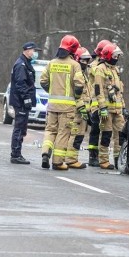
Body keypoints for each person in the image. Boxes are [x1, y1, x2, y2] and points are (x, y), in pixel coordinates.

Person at [40, 35, 86, 171]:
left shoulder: (51, 63)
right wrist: (76, 97)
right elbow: (79, 85)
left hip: (52, 105)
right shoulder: (75, 65)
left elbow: (43, 81)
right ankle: (58, 162)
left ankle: (45, 152)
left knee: (50, 130)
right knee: (63, 133)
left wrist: (52, 91)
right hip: (67, 107)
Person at [93, 42, 126, 169]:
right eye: (115, 56)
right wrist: (102, 107)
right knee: (106, 135)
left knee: (120, 135)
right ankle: (104, 160)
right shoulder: (100, 69)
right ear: (108, 55)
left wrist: (123, 107)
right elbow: (98, 90)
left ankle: (119, 159)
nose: (116, 59)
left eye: (117, 56)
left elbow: (120, 91)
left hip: (117, 110)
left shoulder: (115, 70)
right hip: (106, 109)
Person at [9, 42, 38, 164]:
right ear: (27, 50)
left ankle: (17, 153)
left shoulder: (25, 63)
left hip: (21, 101)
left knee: (22, 128)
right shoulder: (21, 65)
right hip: (20, 101)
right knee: (19, 128)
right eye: (33, 50)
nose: (35, 53)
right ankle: (15, 154)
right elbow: (21, 84)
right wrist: (26, 99)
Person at [68, 47, 95, 168]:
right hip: (77, 111)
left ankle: (72, 158)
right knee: (75, 135)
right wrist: (81, 107)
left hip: (84, 110)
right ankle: (71, 159)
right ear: (78, 59)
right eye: (83, 60)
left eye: (87, 61)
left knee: (79, 135)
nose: (86, 63)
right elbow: (75, 93)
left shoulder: (84, 74)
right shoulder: (76, 73)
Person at [86, 39, 111, 165]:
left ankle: (101, 157)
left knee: (105, 131)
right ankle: (93, 156)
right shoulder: (95, 66)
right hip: (96, 103)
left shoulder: (106, 66)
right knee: (95, 130)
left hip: (105, 104)